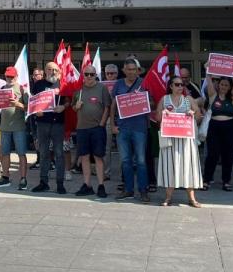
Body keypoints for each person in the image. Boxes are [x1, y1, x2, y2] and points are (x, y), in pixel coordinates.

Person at [157, 75, 203, 207]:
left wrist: (192, 114)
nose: (180, 87)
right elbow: (157, 117)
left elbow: (199, 116)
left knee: (188, 166)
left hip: (186, 140)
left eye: (181, 84)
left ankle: (192, 198)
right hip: (170, 140)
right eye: (177, 84)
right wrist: (164, 113)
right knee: (169, 166)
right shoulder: (164, 99)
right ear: (170, 86)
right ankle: (168, 198)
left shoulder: (188, 99)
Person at [112, 57, 151, 203]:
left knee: (141, 161)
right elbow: (113, 105)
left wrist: (142, 99)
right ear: (124, 70)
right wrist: (113, 125)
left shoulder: (143, 83)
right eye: (128, 69)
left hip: (139, 128)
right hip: (122, 128)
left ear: (137, 70)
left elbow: (152, 102)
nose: (131, 72)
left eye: (134, 69)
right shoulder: (118, 84)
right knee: (126, 160)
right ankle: (128, 190)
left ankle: (143, 190)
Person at [73, 65, 111, 198]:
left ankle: (101, 185)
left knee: (98, 157)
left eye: (92, 74)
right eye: (87, 74)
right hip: (82, 128)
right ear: (83, 75)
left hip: (97, 128)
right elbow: (73, 107)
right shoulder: (79, 90)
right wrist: (76, 107)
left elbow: (107, 106)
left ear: (96, 75)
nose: (89, 76)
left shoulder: (102, 88)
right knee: (84, 157)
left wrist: (102, 124)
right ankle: (87, 185)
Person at [31, 61, 69, 194]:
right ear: (45, 71)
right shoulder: (38, 84)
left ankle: (60, 184)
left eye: (55, 70)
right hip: (42, 123)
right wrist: (36, 110)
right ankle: (43, 182)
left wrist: (63, 107)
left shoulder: (63, 84)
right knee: (44, 154)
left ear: (58, 71)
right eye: (49, 69)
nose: (52, 72)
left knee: (59, 154)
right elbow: (33, 101)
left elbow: (68, 101)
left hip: (58, 123)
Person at [202, 74, 233, 192]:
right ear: (218, 85)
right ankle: (206, 180)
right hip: (214, 127)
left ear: (229, 87)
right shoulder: (213, 96)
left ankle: (226, 181)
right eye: (222, 84)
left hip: (230, 128)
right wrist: (207, 72)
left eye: (226, 85)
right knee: (212, 155)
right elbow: (208, 82)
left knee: (227, 155)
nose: (223, 86)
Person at [0, 66, 29, 190]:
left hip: (18, 127)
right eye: (8, 76)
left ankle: (23, 179)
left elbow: (29, 107)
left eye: (12, 76)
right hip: (4, 127)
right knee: (5, 153)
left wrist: (17, 104)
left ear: (17, 76)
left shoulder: (22, 89)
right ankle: (5, 177)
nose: (9, 78)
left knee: (21, 153)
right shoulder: (2, 89)